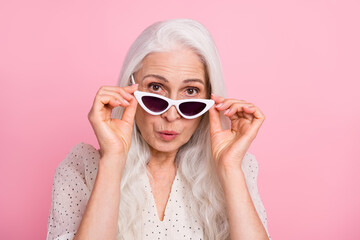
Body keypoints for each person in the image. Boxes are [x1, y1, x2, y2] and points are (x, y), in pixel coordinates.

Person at [46, 18, 271, 240]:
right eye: (156, 88)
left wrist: (230, 169)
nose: (171, 115)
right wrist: (113, 160)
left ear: (211, 98)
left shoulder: (239, 169)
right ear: (130, 89)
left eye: (191, 91)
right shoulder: (81, 168)